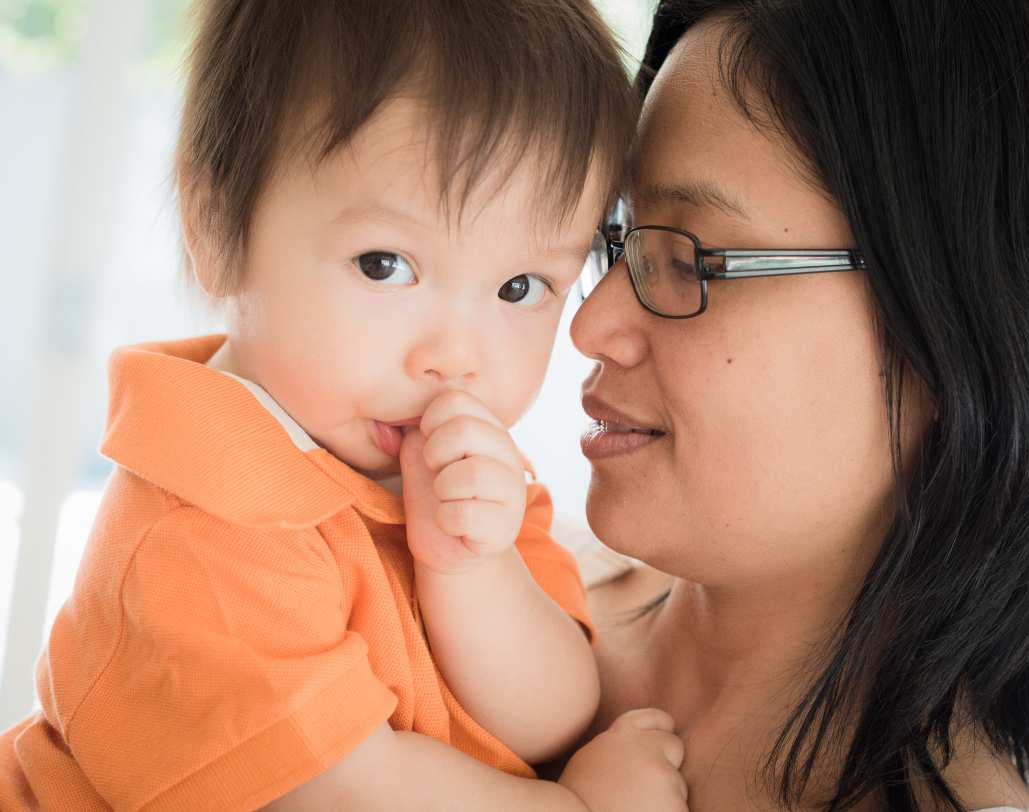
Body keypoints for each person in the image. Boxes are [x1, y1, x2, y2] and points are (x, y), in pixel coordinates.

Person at [0, 1, 689, 810]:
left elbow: (550, 719)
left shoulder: (470, 480)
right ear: (218, 227)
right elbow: (333, 791)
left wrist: (470, 566)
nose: (455, 356)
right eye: (385, 265)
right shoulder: (193, 527)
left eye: (518, 287)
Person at [570, 0, 1029, 810]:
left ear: (960, 331)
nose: (590, 324)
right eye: (621, 237)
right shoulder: (484, 601)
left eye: (690, 260)